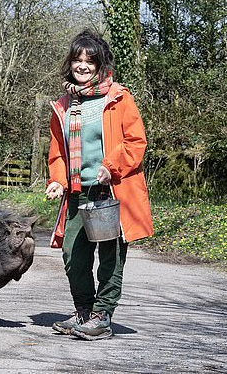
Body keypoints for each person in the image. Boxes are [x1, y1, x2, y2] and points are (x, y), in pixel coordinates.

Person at [45, 30, 153, 341]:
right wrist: (57, 180)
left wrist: (110, 167)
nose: (82, 66)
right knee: (73, 254)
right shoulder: (63, 106)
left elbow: (136, 142)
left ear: (99, 63)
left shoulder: (118, 97)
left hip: (112, 192)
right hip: (78, 195)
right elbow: (57, 152)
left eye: (89, 61)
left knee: (111, 257)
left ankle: (102, 316)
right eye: (77, 60)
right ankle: (83, 312)